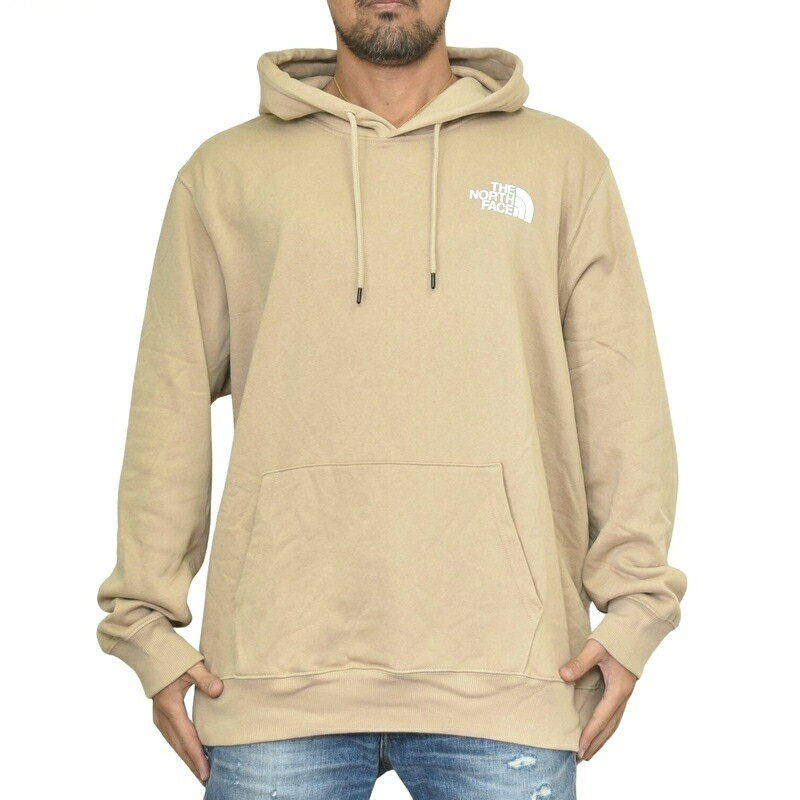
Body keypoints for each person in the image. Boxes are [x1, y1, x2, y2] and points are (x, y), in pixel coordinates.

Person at [95, 1, 688, 797]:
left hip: (511, 677)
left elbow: (620, 398)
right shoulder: (224, 174)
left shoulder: (561, 165)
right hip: (273, 680)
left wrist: (635, 612)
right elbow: (166, 403)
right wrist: (146, 627)